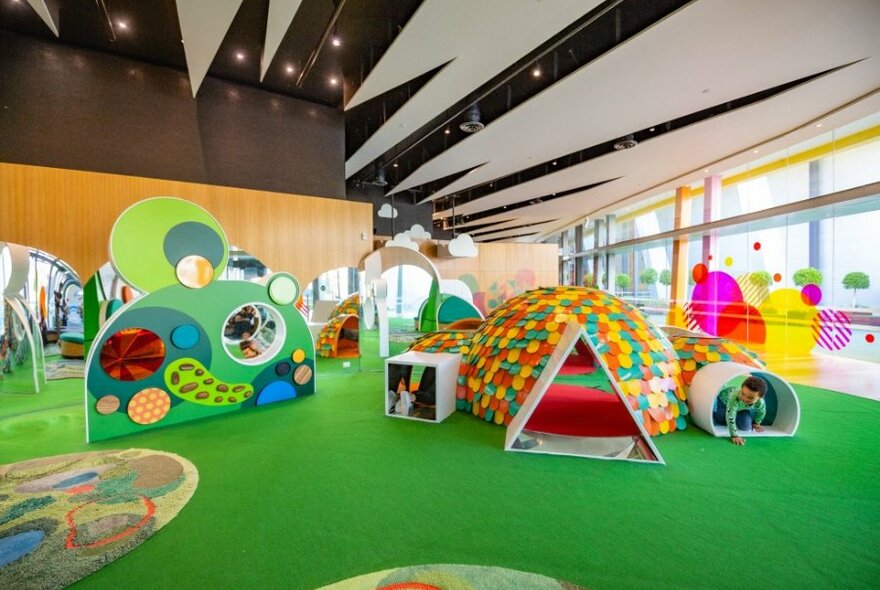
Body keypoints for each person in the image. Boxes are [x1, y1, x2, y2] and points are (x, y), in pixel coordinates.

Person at [713, 376, 767, 446]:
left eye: (750, 398)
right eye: (743, 393)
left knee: (746, 426)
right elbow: (730, 415)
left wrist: (756, 423)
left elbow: (761, 412)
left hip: (741, 408)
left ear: (760, 398)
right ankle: (713, 413)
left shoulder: (760, 402)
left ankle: (738, 415)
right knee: (720, 418)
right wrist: (734, 435)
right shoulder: (734, 396)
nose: (744, 398)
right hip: (724, 401)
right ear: (741, 389)